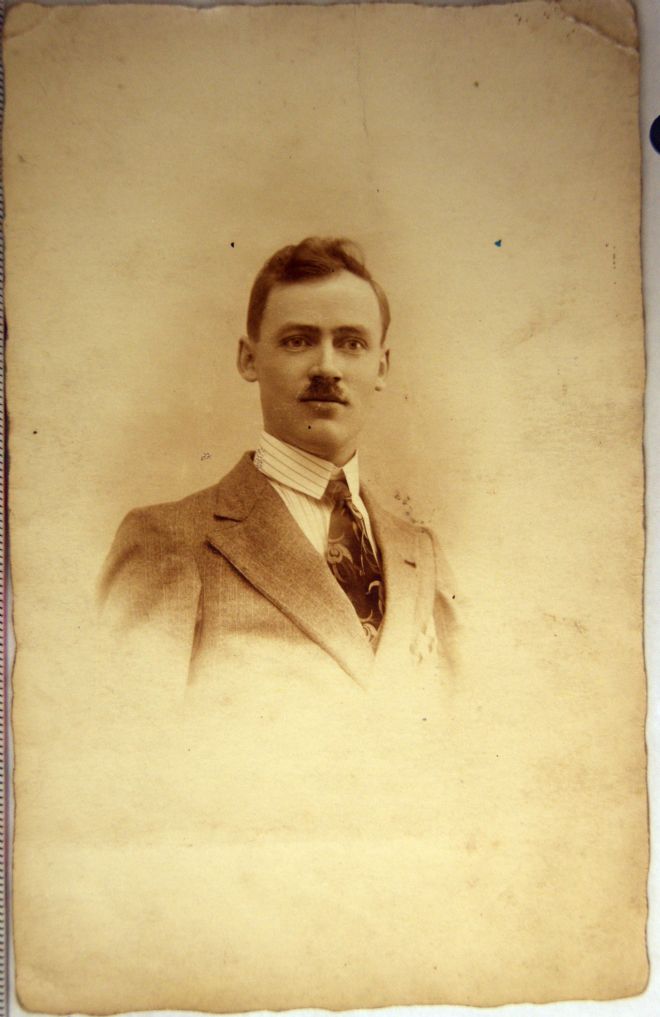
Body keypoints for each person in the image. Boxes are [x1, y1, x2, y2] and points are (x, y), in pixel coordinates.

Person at [99, 237, 456, 690]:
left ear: (381, 367)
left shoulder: (421, 553)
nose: (327, 367)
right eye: (298, 341)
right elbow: (126, 742)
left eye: (351, 343)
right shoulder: (170, 541)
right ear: (249, 359)